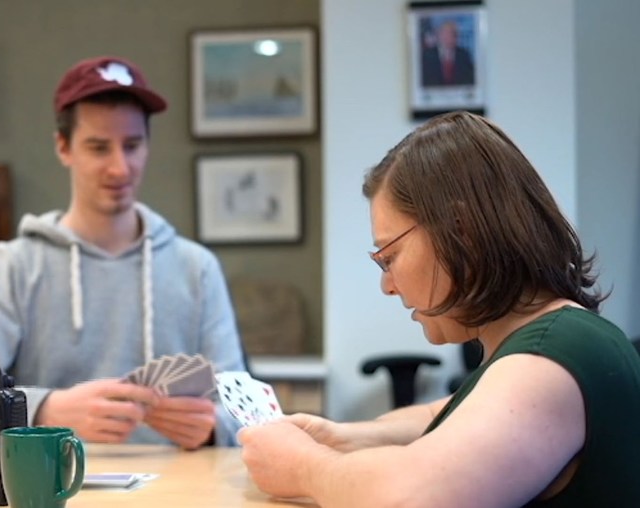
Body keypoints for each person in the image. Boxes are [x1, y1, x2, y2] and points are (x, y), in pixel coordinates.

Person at [238, 111, 640, 506]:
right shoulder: (559, 338)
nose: (387, 286)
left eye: (389, 256)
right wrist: (342, 438)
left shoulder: (547, 360)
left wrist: (303, 466)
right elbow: (447, 412)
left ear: (460, 232)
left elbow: (411, 497)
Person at [0, 56, 246, 449]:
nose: (120, 168)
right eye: (99, 147)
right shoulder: (11, 267)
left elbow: (244, 411)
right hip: (49, 488)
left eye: (133, 145)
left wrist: (213, 429)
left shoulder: (197, 268)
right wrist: (43, 411)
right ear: (63, 147)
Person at [421, 20, 475, 87]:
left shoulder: (464, 54)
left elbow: (470, 79)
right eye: (445, 34)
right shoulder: (427, 55)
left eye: (452, 34)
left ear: (456, 37)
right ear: (439, 36)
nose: (448, 38)